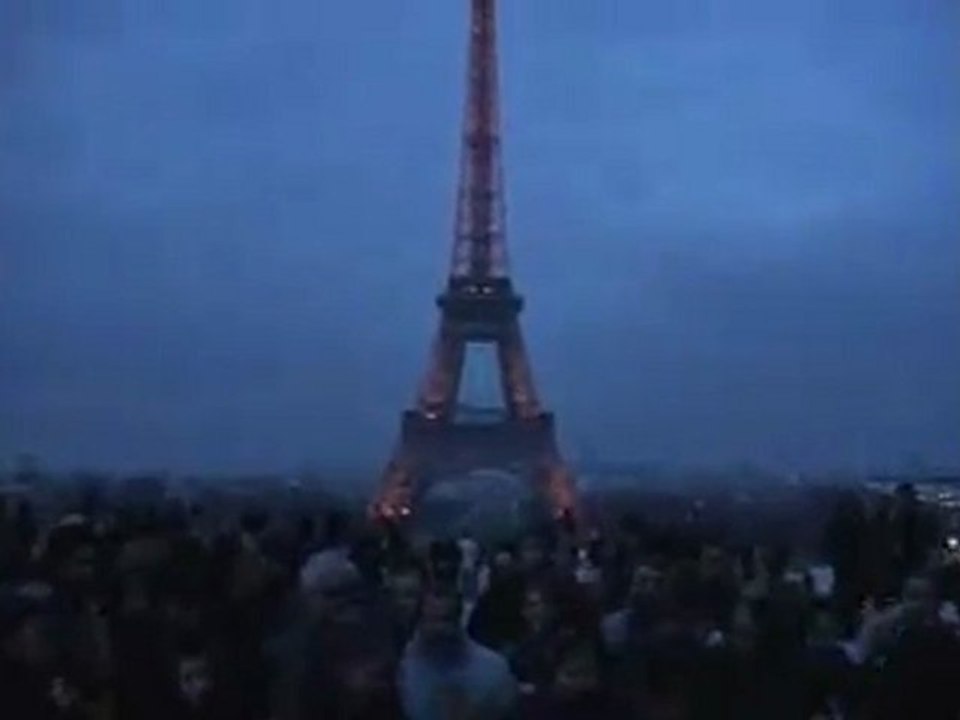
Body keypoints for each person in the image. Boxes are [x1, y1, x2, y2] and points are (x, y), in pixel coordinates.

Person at [399, 586, 519, 720]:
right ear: (419, 622)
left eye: (446, 620)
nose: (439, 629)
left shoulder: (493, 669)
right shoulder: (401, 667)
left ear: (458, 621)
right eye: (431, 620)